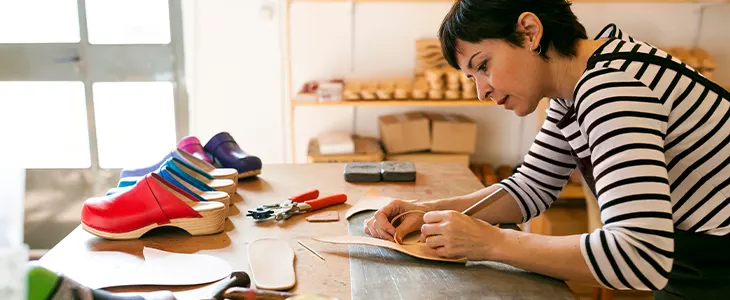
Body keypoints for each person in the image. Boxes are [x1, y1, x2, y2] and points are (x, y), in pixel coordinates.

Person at [363, 0, 730, 299]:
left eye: (483, 66)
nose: (482, 91)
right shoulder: (577, 83)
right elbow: (530, 188)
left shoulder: (613, 89)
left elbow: (638, 256)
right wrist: (425, 211)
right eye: (473, 78)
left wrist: (491, 243)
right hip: (690, 263)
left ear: (529, 32)